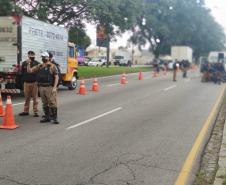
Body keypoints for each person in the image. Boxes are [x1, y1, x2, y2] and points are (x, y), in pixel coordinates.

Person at [27, 52, 59, 124]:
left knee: (52, 102)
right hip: (41, 87)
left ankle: (55, 118)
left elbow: (56, 77)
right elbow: (30, 71)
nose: (43, 58)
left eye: (44, 57)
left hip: (49, 87)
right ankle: (47, 117)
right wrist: (29, 63)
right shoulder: (40, 66)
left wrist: (54, 87)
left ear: (48, 58)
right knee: (44, 103)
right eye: (42, 57)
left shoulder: (52, 66)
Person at [19, 51, 39, 117]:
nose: (30, 56)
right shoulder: (24, 63)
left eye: (32, 55)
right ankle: (26, 111)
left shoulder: (37, 63)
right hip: (26, 83)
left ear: (34, 55)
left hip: (34, 83)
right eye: (29, 55)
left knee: (35, 98)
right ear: (28, 55)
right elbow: (22, 73)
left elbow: (39, 72)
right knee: (26, 98)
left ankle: (35, 112)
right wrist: (22, 82)